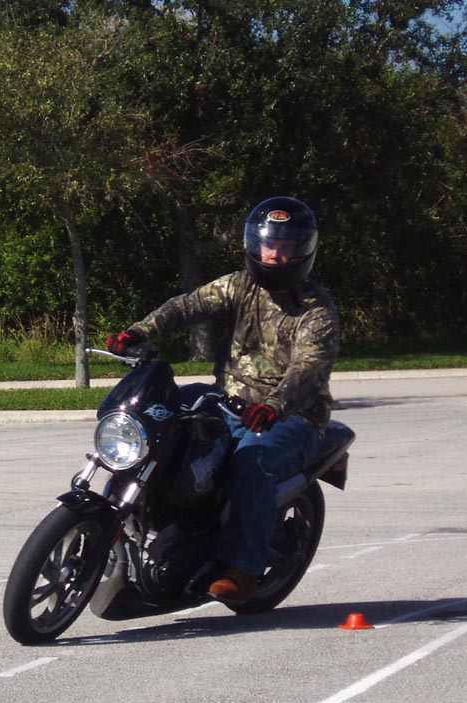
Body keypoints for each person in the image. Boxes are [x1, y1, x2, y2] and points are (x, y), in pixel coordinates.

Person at [105, 196, 340, 604]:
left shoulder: (316, 311)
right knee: (156, 420)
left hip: (293, 418)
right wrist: (139, 332)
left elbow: (309, 367)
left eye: (285, 247)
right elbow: (189, 306)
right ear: (254, 244)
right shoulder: (239, 285)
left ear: (303, 251)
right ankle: (119, 514)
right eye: (268, 244)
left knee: (252, 461)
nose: (274, 255)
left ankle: (244, 568)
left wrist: (276, 405)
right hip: (228, 401)